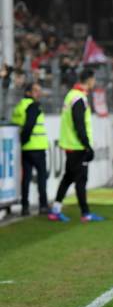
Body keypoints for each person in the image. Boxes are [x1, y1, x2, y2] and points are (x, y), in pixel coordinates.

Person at [48, 69, 104, 222]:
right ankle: (85, 213)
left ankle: (55, 210)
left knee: (68, 177)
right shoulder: (78, 98)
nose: (94, 83)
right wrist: (87, 145)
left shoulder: (71, 95)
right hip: (77, 146)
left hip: (71, 145)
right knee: (81, 180)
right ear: (89, 80)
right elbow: (79, 124)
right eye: (93, 80)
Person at [11, 82, 49, 216]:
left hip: (26, 149)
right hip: (37, 147)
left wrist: (23, 142)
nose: (38, 93)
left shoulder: (19, 106)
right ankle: (43, 205)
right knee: (41, 178)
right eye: (35, 91)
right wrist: (25, 139)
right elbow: (29, 126)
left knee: (26, 179)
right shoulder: (33, 106)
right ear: (28, 92)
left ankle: (25, 207)